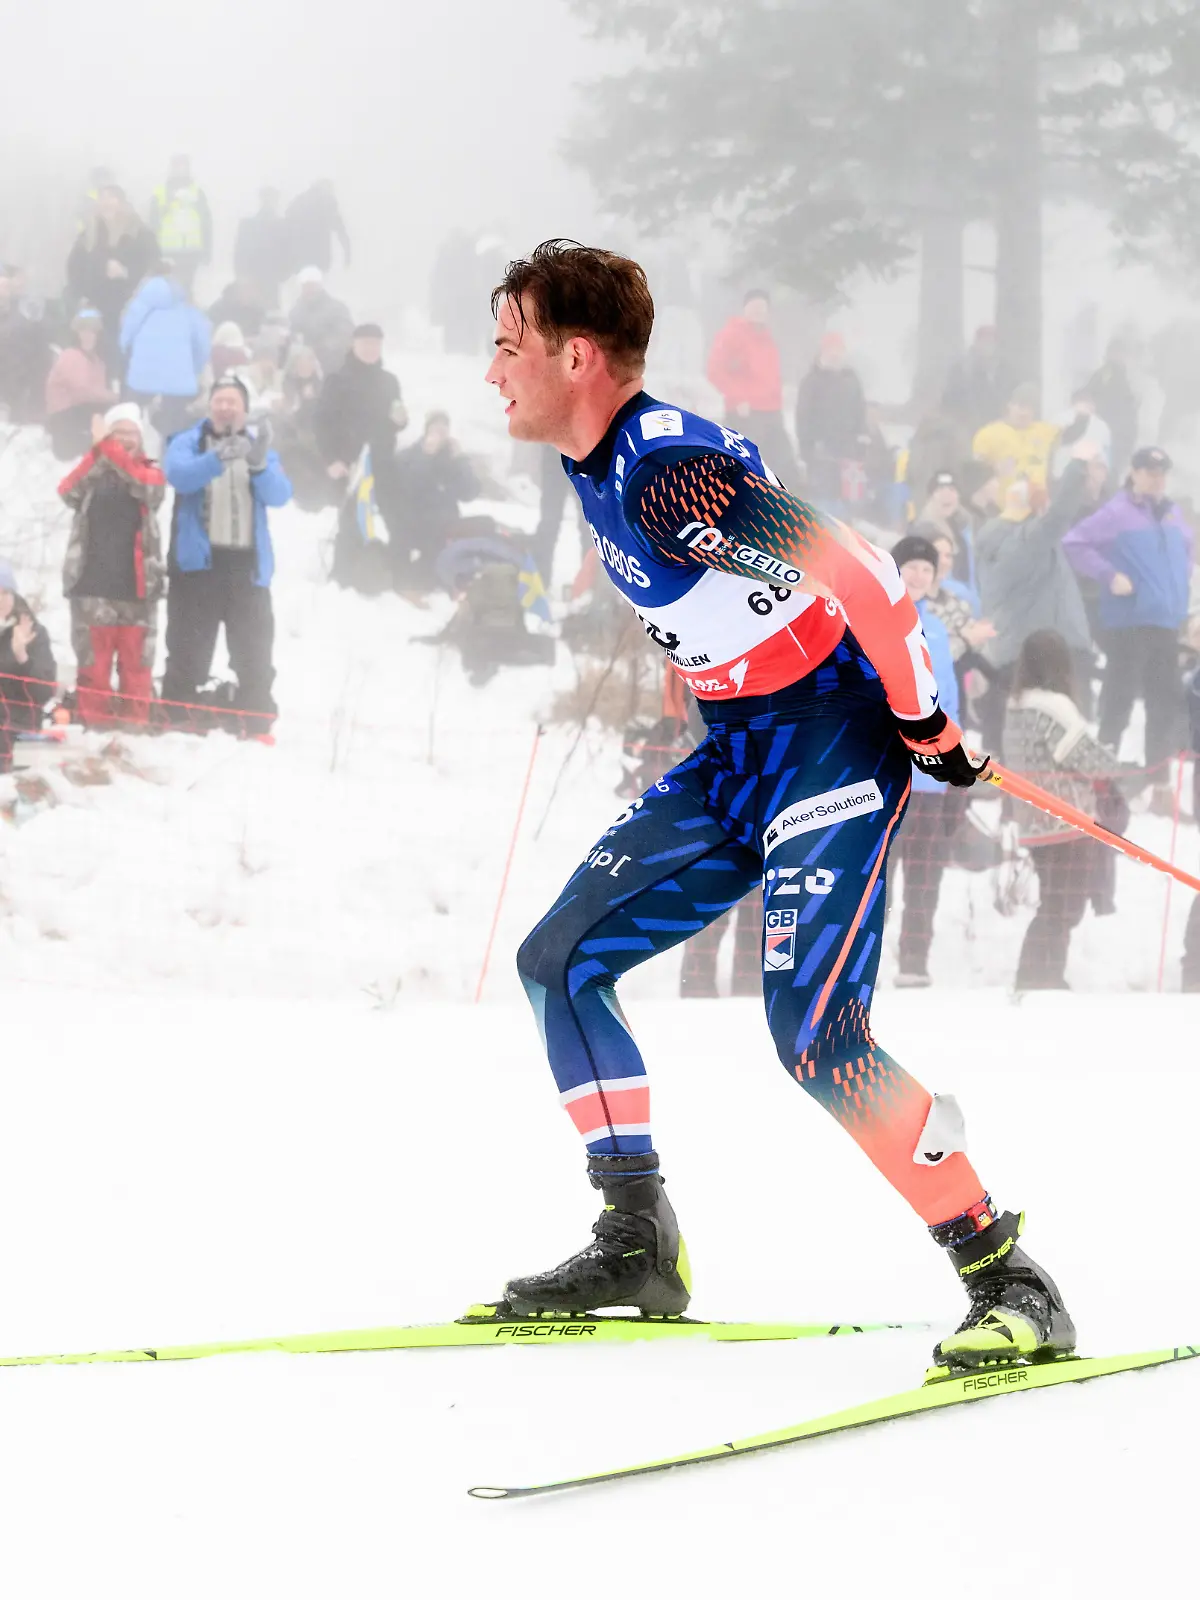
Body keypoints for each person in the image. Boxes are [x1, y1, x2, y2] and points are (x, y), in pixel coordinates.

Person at [484, 238, 1073, 1372]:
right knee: (558, 960)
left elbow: (857, 571)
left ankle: (1009, 1276)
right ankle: (635, 1240)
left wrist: (927, 720)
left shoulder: (668, 470)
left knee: (815, 1037)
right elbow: (724, 595)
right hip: (741, 746)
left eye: (509, 347)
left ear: (579, 355)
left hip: (834, 744)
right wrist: (690, 658)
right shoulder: (591, 460)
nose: (494, 371)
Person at [162, 378, 292, 732]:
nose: (225, 407)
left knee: (254, 651)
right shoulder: (188, 441)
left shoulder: (259, 447)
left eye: (233, 401)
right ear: (209, 407)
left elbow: (280, 495)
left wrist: (259, 463)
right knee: (188, 647)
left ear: (245, 410)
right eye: (219, 401)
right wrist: (217, 457)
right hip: (197, 565)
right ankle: (176, 719)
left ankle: (256, 722)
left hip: (246, 567)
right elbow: (179, 474)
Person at [1003, 630, 1127, 990]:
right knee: (1063, 907)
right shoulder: (1054, 708)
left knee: (1056, 902)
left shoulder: (1017, 706)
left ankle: (1040, 976)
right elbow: (1089, 759)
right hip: (1066, 822)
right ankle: (1039, 978)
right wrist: (1119, 766)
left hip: (1033, 822)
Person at [1063, 446, 1192, 784]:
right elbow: (1073, 543)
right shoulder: (1116, 512)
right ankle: (1100, 773)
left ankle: (1158, 779)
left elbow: (1188, 554)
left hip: (1167, 622)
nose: (1157, 479)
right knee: (1119, 701)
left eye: (1161, 473)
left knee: (1163, 703)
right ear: (1134, 473)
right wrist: (1109, 575)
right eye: (1149, 472)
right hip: (1129, 623)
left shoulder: (1173, 513)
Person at [974, 443, 1097, 754]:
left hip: (1026, 650)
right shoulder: (1025, 540)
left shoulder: (999, 541)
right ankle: (1034, 800)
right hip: (1042, 655)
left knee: (1019, 746)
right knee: (1050, 745)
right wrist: (1077, 465)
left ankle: (1009, 797)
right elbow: (1060, 514)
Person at [886, 536, 967, 987]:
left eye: (926, 571)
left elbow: (949, 699)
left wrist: (952, 758)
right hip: (886, 776)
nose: (917, 577)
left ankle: (915, 962)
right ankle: (865, 961)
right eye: (910, 567)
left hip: (930, 782)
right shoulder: (872, 619)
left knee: (924, 874)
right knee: (877, 874)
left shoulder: (936, 628)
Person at [58, 404, 165, 728]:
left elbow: (147, 488)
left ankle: (134, 733)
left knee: (137, 670)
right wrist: (98, 453)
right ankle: (94, 732)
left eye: (132, 434)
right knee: (93, 670)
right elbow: (67, 490)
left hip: (137, 588)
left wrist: (107, 445)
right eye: (118, 433)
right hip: (91, 587)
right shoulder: (94, 468)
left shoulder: (151, 472)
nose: (125, 440)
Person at [315, 324, 407, 589]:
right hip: (350, 463)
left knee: (396, 517)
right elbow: (322, 423)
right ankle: (342, 578)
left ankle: (393, 572)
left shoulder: (389, 381)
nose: (370, 349)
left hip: (383, 461)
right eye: (365, 343)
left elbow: (395, 418)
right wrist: (331, 459)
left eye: (375, 344)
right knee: (352, 520)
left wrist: (401, 422)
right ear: (354, 345)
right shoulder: (338, 380)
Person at [704, 290, 797, 481]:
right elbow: (715, 370)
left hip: (771, 411)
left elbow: (771, 375)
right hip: (746, 413)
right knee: (749, 467)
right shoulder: (731, 335)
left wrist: (779, 398)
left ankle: (785, 506)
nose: (758, 311)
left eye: (762, 308)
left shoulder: (767, 338)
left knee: (784, 466)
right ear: (744, 309)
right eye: (754, 307)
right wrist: (738, 399)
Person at [119, 262, 212, 440]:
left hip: (143, 374)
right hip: (177, 377)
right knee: (174, 425)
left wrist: (127, 354)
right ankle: (170, 457)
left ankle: (132, 457)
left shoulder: (140, 301)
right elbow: (202, 343)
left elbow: (127, 333)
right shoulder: (186, 303)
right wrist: (195, 369)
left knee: (132, 416)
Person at [390, 411, 481, 588]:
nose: (439, 434)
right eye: (435, 429)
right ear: (426, 431)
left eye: (444, 430)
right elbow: (409, 487)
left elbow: (470, 492)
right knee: (431, 568)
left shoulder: (451, 459)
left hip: (449, 525)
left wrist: (461, 459)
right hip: (417, 523)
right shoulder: (410, 455)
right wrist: (426, 456)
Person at [65, 187, 157, 355]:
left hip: (128, 306)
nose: (107, 203)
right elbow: (74, 267)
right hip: (97, 307)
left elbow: (152, 267)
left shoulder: (140, 233)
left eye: (111, 198)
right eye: (103, 198)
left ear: (122, 203)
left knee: (125, 354)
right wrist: (80, 296)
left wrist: (126, 272)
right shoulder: (89, 234)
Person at [793, 331, 869, 511]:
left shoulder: (852, 379)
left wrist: (862, 437)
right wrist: (808, 445)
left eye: (838, 350)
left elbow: (860, 410)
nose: (835, 354)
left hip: (849, 449)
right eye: (830, 350)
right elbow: (802, 417)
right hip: (821, 451)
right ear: (822, 353)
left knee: (849, 499)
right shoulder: (811, 381)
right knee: (824, 498)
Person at [0, 559, 56, 774]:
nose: (1, 600)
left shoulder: (34, 633)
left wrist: (22, 656)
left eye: (6, 593)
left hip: (19, 730)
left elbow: (44, 693)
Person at [44, 306, 114, 459]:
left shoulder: (97, 361)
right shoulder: (70, 356)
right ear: (77, 334)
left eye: (92, 332)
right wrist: (113, 397)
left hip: (82, 412)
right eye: (84, 331)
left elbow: (96, 393)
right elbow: (83, 391)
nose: (88, 336)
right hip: (64, 414)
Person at [972, 384, 1059, 501]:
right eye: (1020, 406)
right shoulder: (988, 434)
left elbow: (1072, 433)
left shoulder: (1043, 431)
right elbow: (974, 474)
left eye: (1030, 408)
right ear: (1010, 405)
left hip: (1037, 511)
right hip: (1003, 511)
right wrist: (994, 470)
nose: (1024, 413)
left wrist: (1082, 414)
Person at [148, 156, 212, 293]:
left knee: (186, 290)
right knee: (168, 290)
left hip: (191, 251)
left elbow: (206, 223)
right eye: (177, 167)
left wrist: (207, 250)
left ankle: (186, 312)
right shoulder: (160, 193)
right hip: (166, 251)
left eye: (183, 167)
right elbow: (152, 222)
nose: (180, 171)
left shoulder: (198, 193)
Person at [274, 345, 327, 512]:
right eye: (302, 363)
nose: (306, 366)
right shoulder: (288, 382)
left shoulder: (320, 384)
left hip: (316, 429)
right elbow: (286, 407)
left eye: (309, 362)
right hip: (294, 431)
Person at [942, 325, 1008, 441]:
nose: (988, 346)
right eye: (984, 341)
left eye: (991, 342)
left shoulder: (1003, 370)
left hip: (996, 434)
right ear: (976, 343)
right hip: (966, 433)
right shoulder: (960, 370)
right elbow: (948, 402)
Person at [289, 267, 353, 377]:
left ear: (320, 285)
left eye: (312, 285)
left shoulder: (337, 308)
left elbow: (345, 335)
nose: (309, 289)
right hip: (304, 365)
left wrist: (319, 348)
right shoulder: (296, 312)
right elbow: (293, 336)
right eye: (306, 286)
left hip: (333, 363)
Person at [234, 188, 291, 309]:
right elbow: (240, 251)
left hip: (270, 275)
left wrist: (285, 271)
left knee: (267, 308)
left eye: (271, 198)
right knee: (256, 308)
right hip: (257, 275)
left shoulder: (281, 225)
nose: (269, 202)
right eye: (267, 198)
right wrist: (241, 272)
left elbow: (287, 251)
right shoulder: (249, 225)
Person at [283, 181, 350, 277]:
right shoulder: (327, 203)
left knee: (304, 285)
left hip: (299, 258)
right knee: (315, 286)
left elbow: (287, 226)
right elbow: (341, 231)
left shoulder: (298, 201)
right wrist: (347, 255)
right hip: (319, 258)